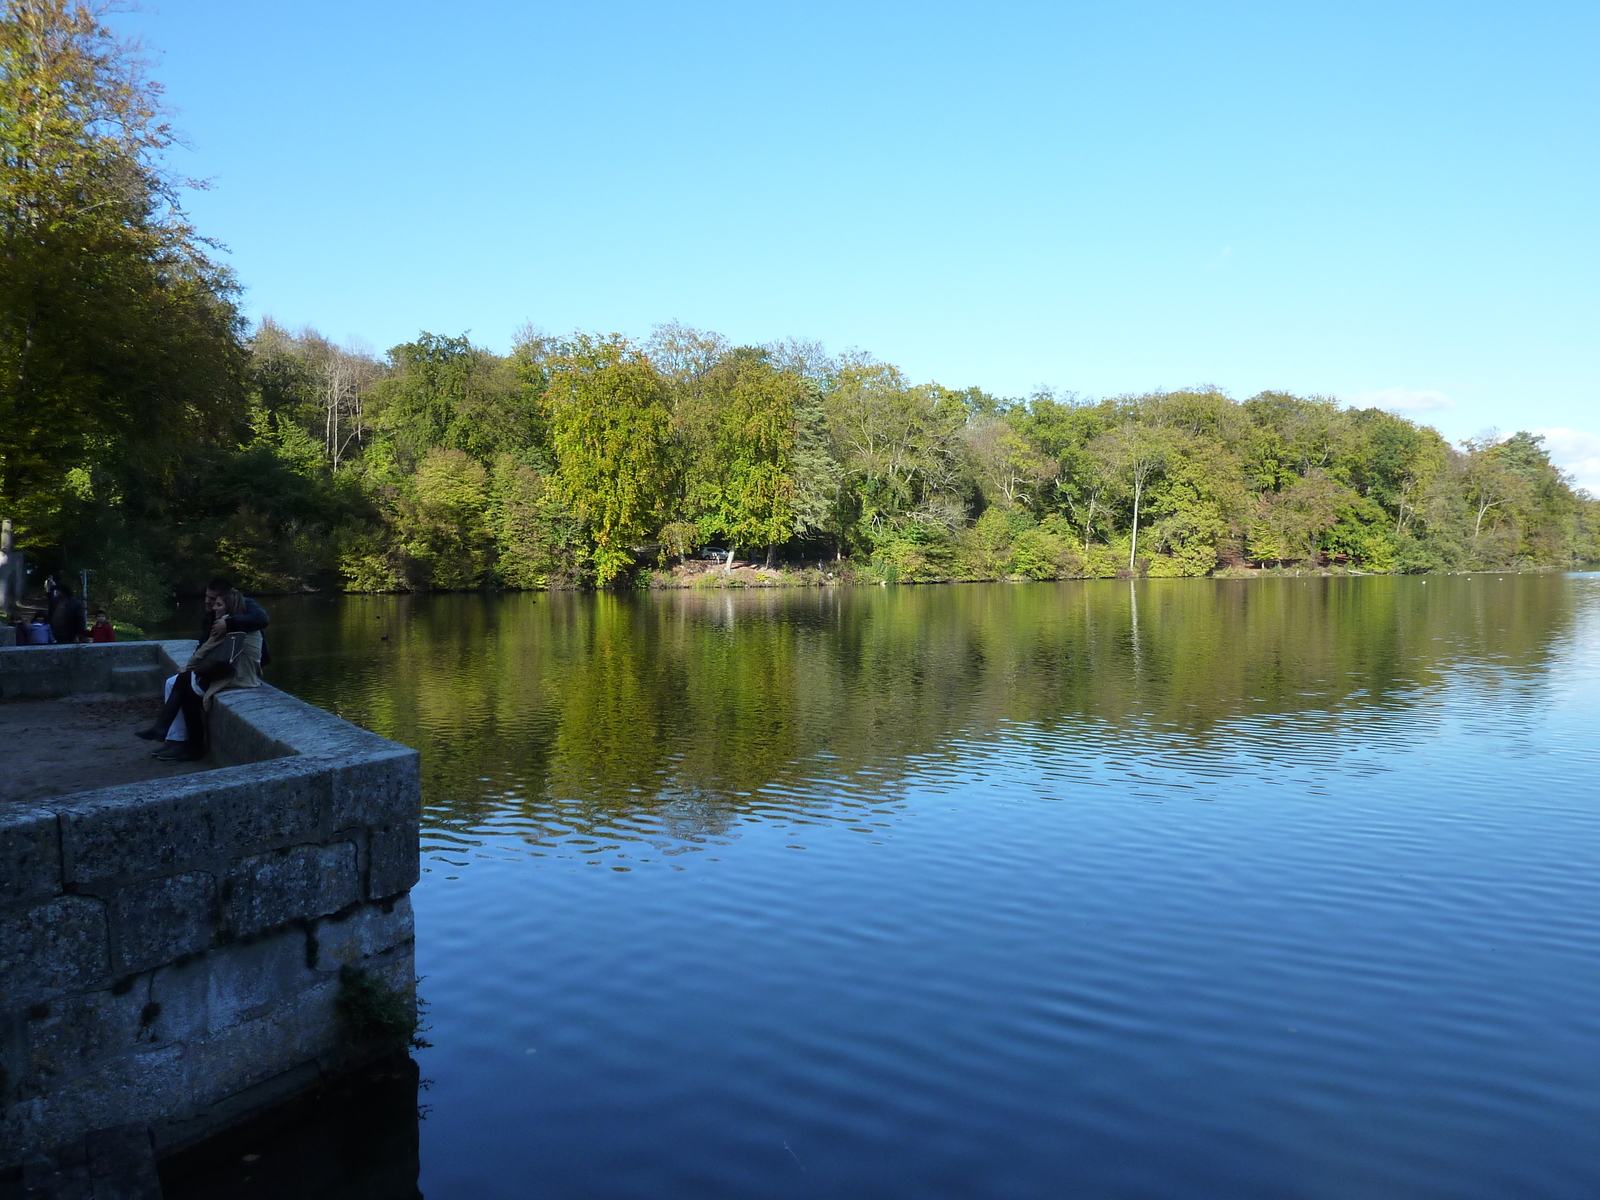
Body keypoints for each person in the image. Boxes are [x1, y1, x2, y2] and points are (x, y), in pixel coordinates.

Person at [135, 578, 268, 761]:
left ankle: (176, 737)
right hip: (235, 670)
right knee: (182, 686)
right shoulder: (222, 618)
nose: (210, 604)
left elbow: (206, 649)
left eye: (215, 601)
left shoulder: (233, 619)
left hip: (237, 674)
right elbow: (204, 644)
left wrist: (189, 667)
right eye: (208, 597)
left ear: (227, 602)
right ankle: (177, 740)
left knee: (183, 682)